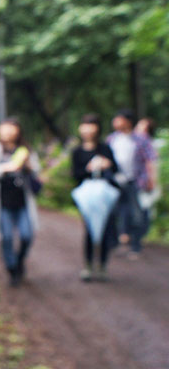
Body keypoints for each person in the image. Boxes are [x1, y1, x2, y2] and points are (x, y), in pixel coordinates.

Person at [0, 118, 40, 286]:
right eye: (4, 128)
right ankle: (12, 269)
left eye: (11, 128)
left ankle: (20, 261)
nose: (7, 132)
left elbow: (36, 170)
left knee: (27, 235)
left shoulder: (25, 149)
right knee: (6, 237)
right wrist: (7, 168)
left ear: (18, 131)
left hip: (22, 201)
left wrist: (27, 165)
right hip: (3, 202)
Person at [71, 114, 118, 281]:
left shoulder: (104, 148)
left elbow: (115, 169)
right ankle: (88, 265)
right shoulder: (77, 151)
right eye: (86, 125)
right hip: (87, 196)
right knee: (90, 230)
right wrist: (89, 168)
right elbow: (75, 174)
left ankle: (103, 265)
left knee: (105, 229)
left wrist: (107, 165)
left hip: (104, 196)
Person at [106, 110, 157, 259]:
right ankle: (114, 243)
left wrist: (151, 179)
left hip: (135, 181)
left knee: (137, 214)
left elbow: (150, 160)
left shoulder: (140, 139)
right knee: (114, 212)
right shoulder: (112, 139)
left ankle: (135, 245)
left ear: (128, 121)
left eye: (118, 119)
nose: (115, 123)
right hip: (115, 181)